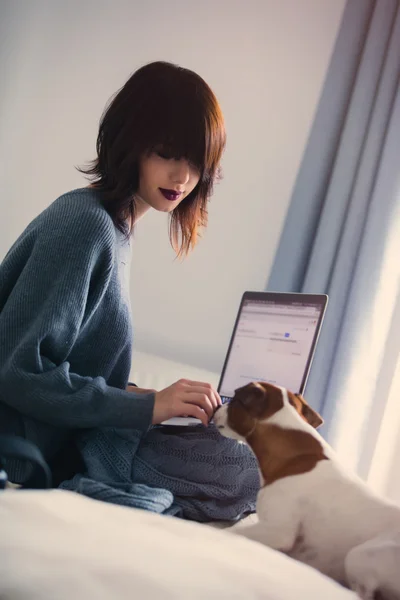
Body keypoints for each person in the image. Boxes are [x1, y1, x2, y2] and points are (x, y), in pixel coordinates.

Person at [0, 61, 229, 485]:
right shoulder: (86, 225)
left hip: (48, 447)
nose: (182, 177)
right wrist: (146, 408)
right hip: (20, 458)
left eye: (196, 162)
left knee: (229, 463)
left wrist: (139, 396)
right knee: (231, 475)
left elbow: (65, 363)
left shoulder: (115, 228)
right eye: (167, 153)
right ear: (131, 142)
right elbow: (18, 370)